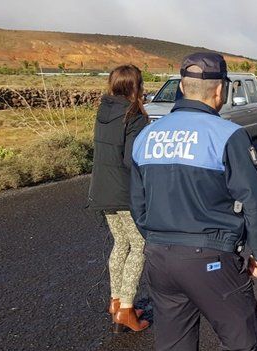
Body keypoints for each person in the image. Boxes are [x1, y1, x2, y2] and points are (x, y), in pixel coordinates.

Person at [130, 52, 257, 350]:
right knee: (240, 339)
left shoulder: (147, 135)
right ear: (220, 90)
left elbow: (137, 202)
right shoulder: (228, 135)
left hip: (160, 259)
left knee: (174, 344)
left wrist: (158, 238)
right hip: (211, 257)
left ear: (182, 87)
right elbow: (255, 200)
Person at [87, 64, 149, 333]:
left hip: (101, 190)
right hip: (124, 192)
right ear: (135, 86)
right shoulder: (133, 115)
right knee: (140, 244)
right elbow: (132, 160)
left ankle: (116, 301)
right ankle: (126, 308)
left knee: (121, 243)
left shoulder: (103, 111)